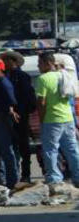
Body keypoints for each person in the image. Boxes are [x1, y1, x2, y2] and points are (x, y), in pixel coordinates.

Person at [35, 52, 79, 189]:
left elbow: (41, 102)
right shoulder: (63, 75)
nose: (38, 66)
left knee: (50, 150)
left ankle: (54, 178)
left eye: (40, 63)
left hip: (51, 119)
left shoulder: (43, 79)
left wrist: (41, 120)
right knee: (72, 149)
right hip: (68, 118)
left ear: (48, 63)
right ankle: (77, 176)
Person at [2, 50, 38, 182]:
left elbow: (29, 97)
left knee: (24, 146)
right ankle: (13, 173)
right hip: (7, 116)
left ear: (13, 61)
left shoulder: (23, 76)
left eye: (7, 60)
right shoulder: (4, 77)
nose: (5, 63)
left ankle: (26, 174)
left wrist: (22, 112)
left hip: (21, 116)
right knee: (11, 146)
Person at [0, 58, 20, 190]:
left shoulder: (4, 83)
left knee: (7, 150)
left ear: (2, 70)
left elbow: (11, 101)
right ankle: (4, 178)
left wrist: (10, 111)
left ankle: (12, 180)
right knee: (0, 151)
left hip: (3, 119)